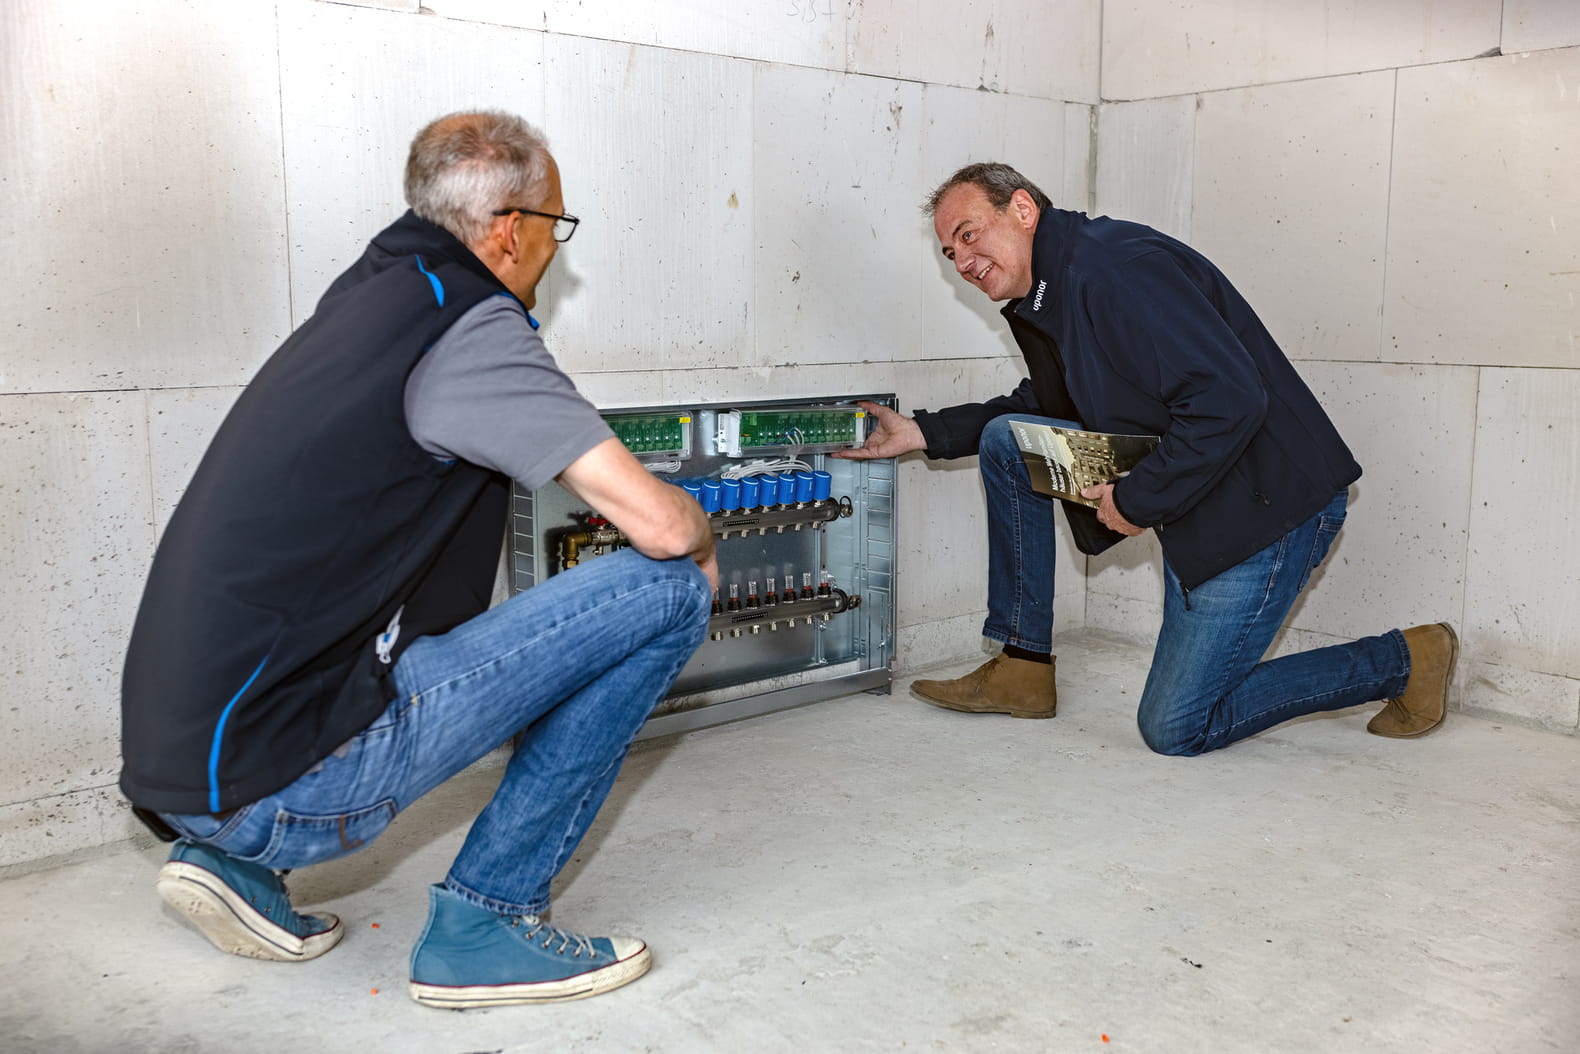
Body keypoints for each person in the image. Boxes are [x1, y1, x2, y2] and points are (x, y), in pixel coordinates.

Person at [119, 111, 718, 1008]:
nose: (554, 246)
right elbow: (660, 526)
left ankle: (228, 863)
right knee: (668, 587)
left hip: (187, 771)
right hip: (279, 787)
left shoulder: (373, 298)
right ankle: (488, 920)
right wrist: (703, 541)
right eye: (556, 223)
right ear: (509, 230)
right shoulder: (469, 326)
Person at [836, 162, 1455, 754]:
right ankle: (1022, 665)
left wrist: (1136, 501)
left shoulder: (1114, 270)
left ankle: (1404, 660)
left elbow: (1228, 399)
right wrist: (923, 431)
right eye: (950, 253)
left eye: (968, 235)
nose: (963, 262)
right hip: (1203, 498)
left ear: (1021, 209)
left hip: (1267, 509)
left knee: (1176, 726)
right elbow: (1052, 400)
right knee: (1007, 439)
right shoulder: (1057, 288)